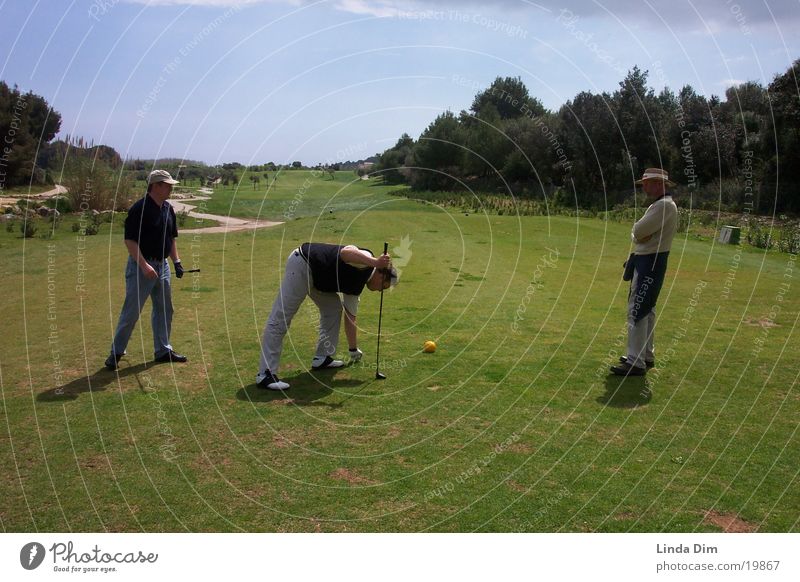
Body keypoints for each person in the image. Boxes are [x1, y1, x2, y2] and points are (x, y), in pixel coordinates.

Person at [257, 242, 398, 390]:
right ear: (381, 276)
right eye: (383, 287)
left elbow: (350, 318)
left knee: (333, 308)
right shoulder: (366, 260)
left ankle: (322, 358)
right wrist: (375, 262)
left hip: (318, 278)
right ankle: (265, 374)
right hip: (303, 263)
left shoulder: (356, 286)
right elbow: (346, 252)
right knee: (281, 318)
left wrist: (353, 349)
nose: (379, 291)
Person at [105, 170, 188, 370]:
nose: (171, 188)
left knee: (165, 309)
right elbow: (130, 240)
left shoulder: (168, 209)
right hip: (141, 266)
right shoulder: (139, 209)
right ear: (156, 185)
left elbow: (171, 239)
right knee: (132, 311)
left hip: (163, 266)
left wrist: (176, 261)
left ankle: (162, 350)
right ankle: (116, 352)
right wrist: (144, 265)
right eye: (167, 185)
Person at [610, 167, 678, 376]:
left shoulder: (663, 206)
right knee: (647, 309)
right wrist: (638, 236)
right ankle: (645, 354)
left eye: (647, 183)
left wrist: (637, 236)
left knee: (637, 308)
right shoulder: (663, 205)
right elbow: (639, 234)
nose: (644, 187)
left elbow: (638, 231)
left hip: (649, 261)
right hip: (651, 260)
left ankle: (635, 361)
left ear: (658, 183)